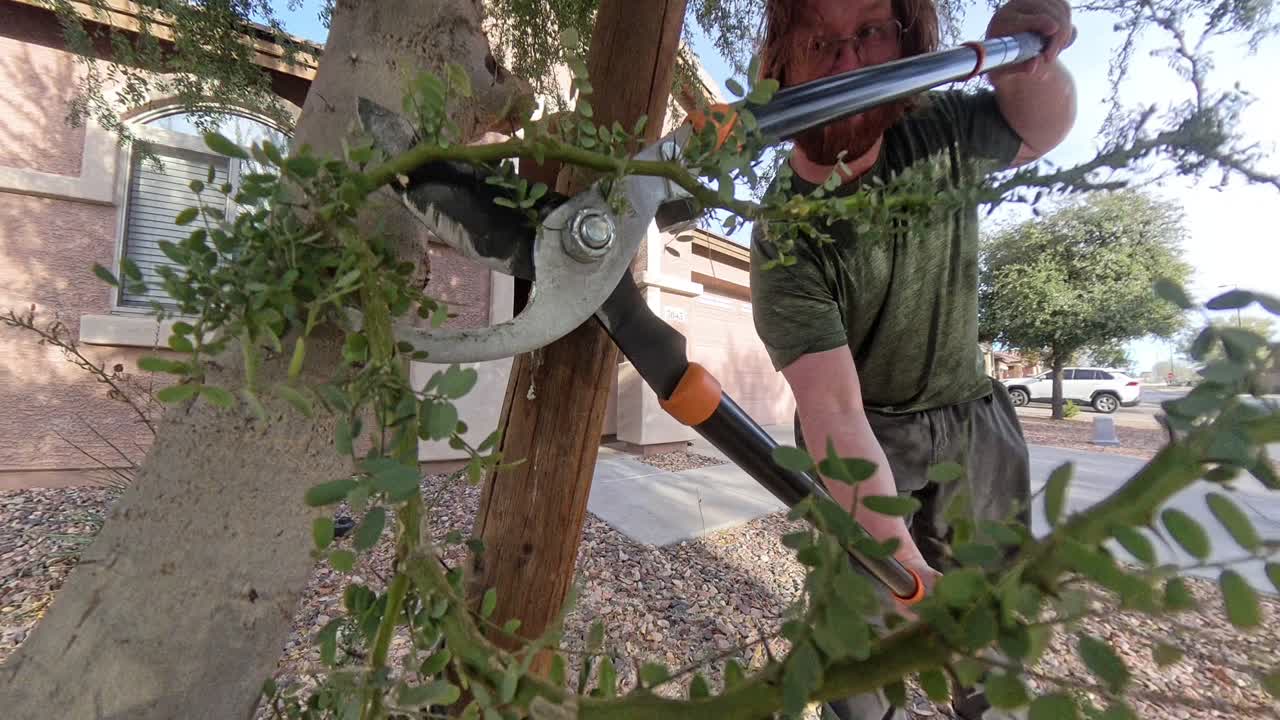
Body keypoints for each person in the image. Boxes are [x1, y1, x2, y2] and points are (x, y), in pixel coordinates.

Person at [750, 0, 1077, 718]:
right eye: (817, 41)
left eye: (868, 33)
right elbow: (834, 412)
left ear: (905, 44)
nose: (844, 61)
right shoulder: (785, 235)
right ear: (781, 63)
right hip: (865, 439)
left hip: (973, 425)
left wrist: (1031, 64)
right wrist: (904, 574)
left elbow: (1041, 128)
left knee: (992, 630)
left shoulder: (942, 133)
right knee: (856, 656)